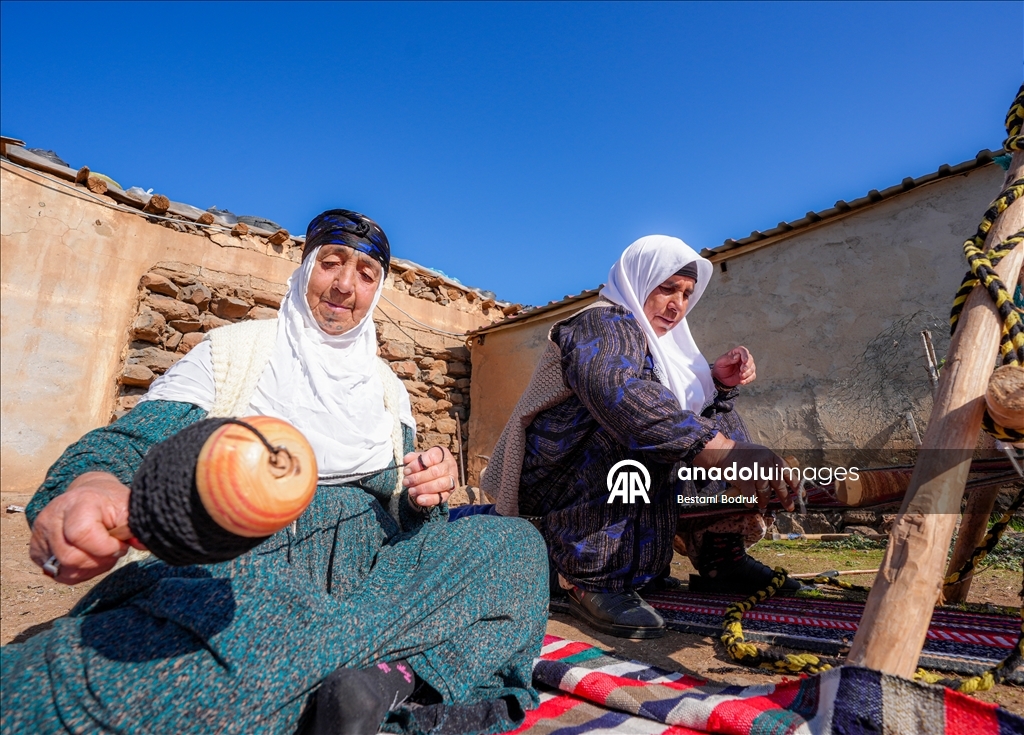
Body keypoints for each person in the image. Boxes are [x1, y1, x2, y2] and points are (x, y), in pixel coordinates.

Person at [1, 210, 548, 735]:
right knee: (211, 650)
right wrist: (92, 486)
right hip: (250, 565)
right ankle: (383, 674)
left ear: (376, 292)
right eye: (331, 262)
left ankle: (341, 673)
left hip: (373, 573)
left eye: (365, 274)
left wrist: (422, 495)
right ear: (305, 266)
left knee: (517, 547)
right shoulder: (235, 352)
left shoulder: (386, 389)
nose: (344, 287)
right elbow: (128, 444)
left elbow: (404, 521)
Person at [483, 235, 800, 640]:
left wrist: (716, 385)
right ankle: (589, 577)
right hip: (560, 476)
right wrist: (722, 450)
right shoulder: (601, 322)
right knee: (642, 425)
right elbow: (618, 390)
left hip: (615, 474)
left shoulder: (670, 350)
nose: (677, 304)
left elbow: (686, 416)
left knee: (721, 424)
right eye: (667, 287)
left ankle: (720, 554)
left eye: (686, 294)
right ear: (638, 280)